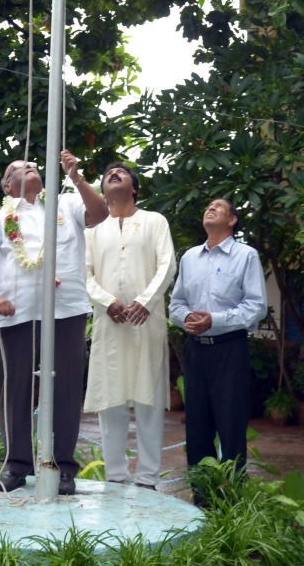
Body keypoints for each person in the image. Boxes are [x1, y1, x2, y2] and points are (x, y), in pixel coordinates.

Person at [0, 152, 108, 496]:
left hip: (66, 310)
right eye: (16, 167)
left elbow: (100, 213)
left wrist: (76, 177)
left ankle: (63, 466)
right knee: (15, 388)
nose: (28, 166)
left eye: (31, 165)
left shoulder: (65, 203)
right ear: (6, 185)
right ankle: (16, 465)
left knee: (66, 389)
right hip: (14, 314)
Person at [84, 162, 176, 490]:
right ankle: (116, 478)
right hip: (110, 325)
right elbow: (86, 274)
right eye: (107, 173)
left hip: (146, 323)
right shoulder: (93, 231)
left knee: (148, 399)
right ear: (103, 190)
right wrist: (106, 301)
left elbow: (167, 263)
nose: (113, 174)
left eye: (120, 173)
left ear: (134, 187)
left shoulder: (154, 222)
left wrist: (145, 301)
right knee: (111, 401)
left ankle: (148, 478)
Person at [168, 197, 267, 498]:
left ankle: (231, 501)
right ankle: (202, 498)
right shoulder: (189, 258)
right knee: (196, 427)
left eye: (218, 207)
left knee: (231, 426)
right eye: (207, 206)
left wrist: (216, 320)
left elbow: (256, 306)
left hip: (230, 348)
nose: (209, 209)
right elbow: (176, 303)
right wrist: (188, 318)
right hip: (195, 349)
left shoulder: (246, 256)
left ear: (233, 220)